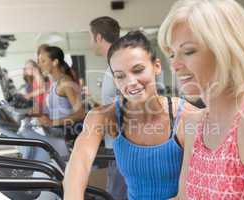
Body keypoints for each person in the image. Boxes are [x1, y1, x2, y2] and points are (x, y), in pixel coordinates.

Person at [158, 0, 244, 199]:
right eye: (172, 54)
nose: (174, 64)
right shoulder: (194, 123)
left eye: (188, 51)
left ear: (227, 50)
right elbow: (183, 197)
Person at [63, 31, 196, 200]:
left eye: (138, 70)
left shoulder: (186, 115)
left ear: (156, 66)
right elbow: (78, 167)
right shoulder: (105, 116)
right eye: (120, 76)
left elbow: (187, 195)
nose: (130, 82)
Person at [88, 16, 127, 200]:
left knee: (116, 195)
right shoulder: (113, 64)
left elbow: (130, 104)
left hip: (121, 147)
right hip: (116, 147)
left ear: (98, 37)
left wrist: (106, 118)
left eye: (90, 37)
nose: (91, 43)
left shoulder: (116, 64)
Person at [37, 46, 85, 129]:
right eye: (39, 62)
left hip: (67, 134)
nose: (39, 65)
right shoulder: (54, 82)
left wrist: (52, 122)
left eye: (43, 61)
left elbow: (80, 114)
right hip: (57, 133)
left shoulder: (65, 82)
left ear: (55, 62)